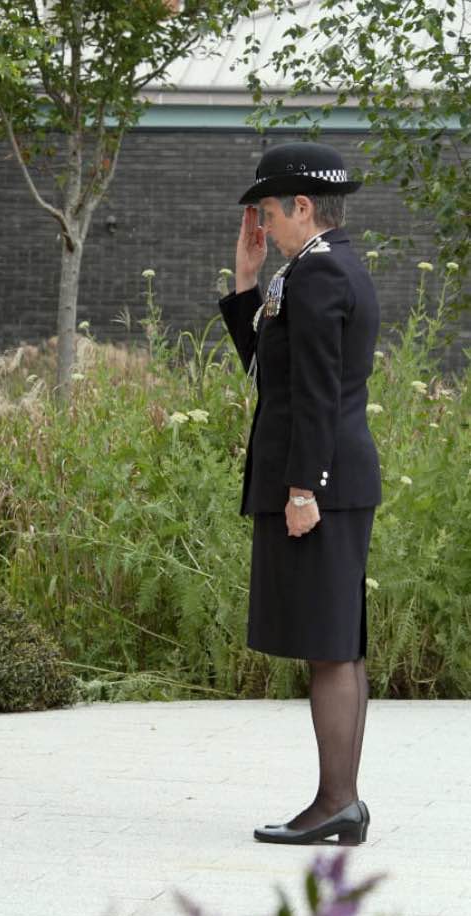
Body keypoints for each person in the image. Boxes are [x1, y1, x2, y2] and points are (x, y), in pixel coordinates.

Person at [219, 141, 382, 846]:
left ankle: (335, 804)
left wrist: (301, 489)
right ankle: (338, 801)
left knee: (329, 644)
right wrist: (247, 282)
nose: (262, 225)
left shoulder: (318, 277)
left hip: (325, 482)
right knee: (336, 642)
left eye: (266, 213)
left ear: (302, 206)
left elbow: (315, 394)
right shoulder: (323, 268)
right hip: (338, 478)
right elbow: (271, 369)